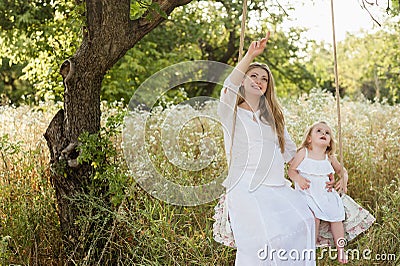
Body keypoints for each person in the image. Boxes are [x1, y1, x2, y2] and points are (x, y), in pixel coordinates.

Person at [217, 32, 328, 265]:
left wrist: (321, 159)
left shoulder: (273, 118)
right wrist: (249, 55)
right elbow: (228, 86)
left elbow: (291, 155)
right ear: (244, 81)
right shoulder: (231, 113)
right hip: (245, 186)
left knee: (304, 223)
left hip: (276, 186)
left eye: (264, 79)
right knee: (262, 242)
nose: (259, 81)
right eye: (253, 76)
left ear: (268, 86)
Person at [288, 121, 348, 264]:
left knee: (337, 216)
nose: (323, 134)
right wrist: (298, 178)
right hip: (306, 193)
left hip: (325, 194)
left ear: (329, 143)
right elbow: (291, 170)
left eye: (327, 133)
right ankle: (311, 249)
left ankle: (341, 250)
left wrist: (344, 179)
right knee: (313, 217)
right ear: (309, 138)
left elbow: (342, 171)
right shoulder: (304, 153)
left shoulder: (329, 157)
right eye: (319, 131)